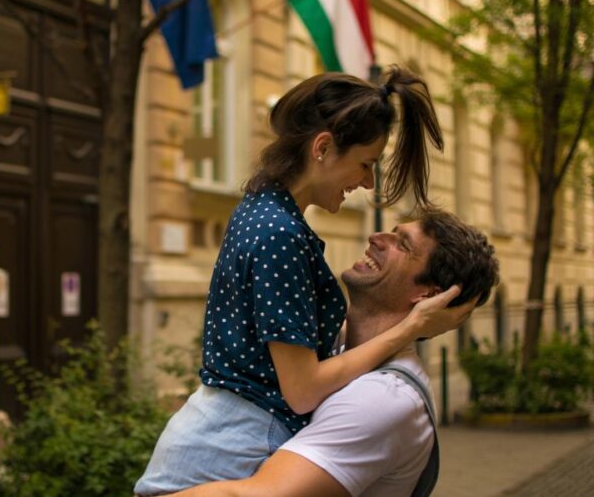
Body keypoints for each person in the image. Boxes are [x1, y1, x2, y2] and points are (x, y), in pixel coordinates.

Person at [134, 67, 477, 496]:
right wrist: (410, 328)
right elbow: (302, 391)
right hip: (230, 447)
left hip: (217, 436)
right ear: (323, 148)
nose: (367, 182)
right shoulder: (281, 235)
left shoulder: (262, 209)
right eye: (366, 164)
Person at [169, 209, 500, 497]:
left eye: (403, 243)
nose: (375, 237)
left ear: (429, 295)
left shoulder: (382, 398)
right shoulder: (340, 353)